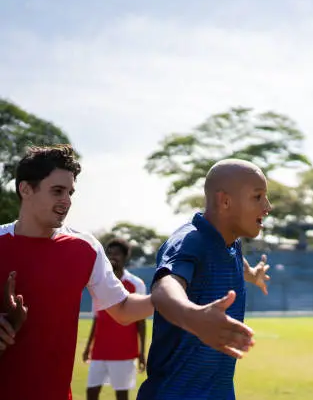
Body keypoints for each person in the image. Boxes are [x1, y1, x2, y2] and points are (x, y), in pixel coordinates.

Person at [0, 144, 155, 400]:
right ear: (25, 189)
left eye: (70, 192)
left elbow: (123, 308)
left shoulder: (85, 248)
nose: (67, 201)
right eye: (57, 191)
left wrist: (172, 297)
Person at [137, 158, 272, 400]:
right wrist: (193, 315)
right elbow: (164, 287)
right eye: (258, 196)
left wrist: (252, 275)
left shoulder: (230, 243)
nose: (267, 206)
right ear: (225, 201)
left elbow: (230, 259)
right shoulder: (189, 242)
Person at [83, 238, 148, 400]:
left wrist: (141, 353)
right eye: (109, 253)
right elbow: (97, 318)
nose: (112, 257)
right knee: (91, 392)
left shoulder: (136, 284)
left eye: (117, 254)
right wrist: (88, 347)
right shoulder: (99, 283)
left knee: (121, 395)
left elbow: (141, 322)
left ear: (125, 257)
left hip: (124, 351)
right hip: (99, 350)